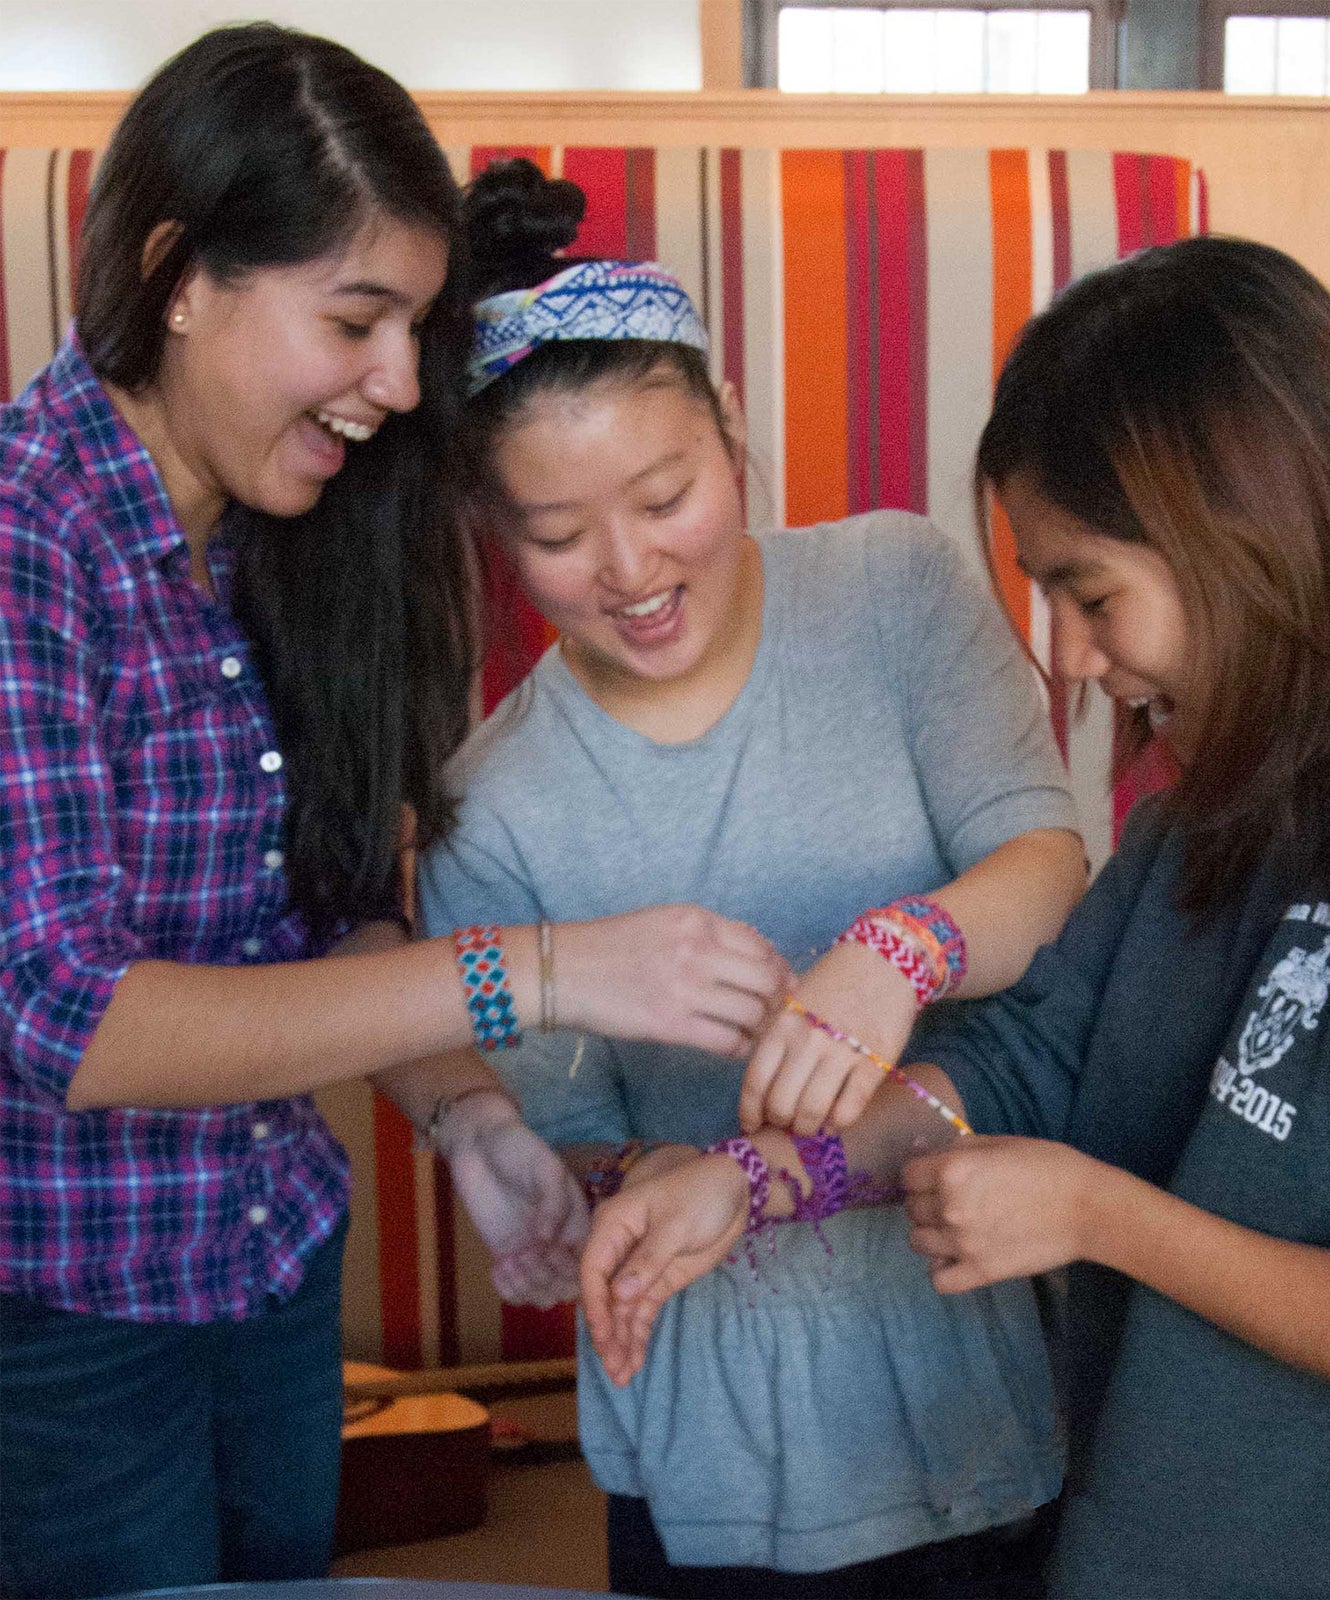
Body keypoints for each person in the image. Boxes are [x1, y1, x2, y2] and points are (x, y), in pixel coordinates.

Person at [585, 235, 1330, 1600]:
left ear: (1256, 533)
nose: (1065, 655)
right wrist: (759, 1180)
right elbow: (1035, 1057)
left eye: (1090, 592)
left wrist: (1101, 1217)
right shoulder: (1238, 779)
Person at [0, 30, 789, 1600]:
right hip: (64, 1326)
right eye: (355, 321)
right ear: (176, 276)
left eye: (416, 329)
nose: (400, 383)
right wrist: (545, 972)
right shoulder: (31, 544)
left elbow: (333, 917)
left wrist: (472, 1124)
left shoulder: (275, 534)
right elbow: (67, 1016)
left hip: (273, 1262)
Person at [418, 157, 1088, 1598]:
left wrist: (897, 952)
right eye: (557, 535)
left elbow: (1046, 877)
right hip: (720, 1425)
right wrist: (632, 1173)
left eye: (665, 495)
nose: (629, 569)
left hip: (970, 1340)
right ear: (493, 529)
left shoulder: (897, 591)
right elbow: (576, 1146)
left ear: (733, 433)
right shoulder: (495, 810)